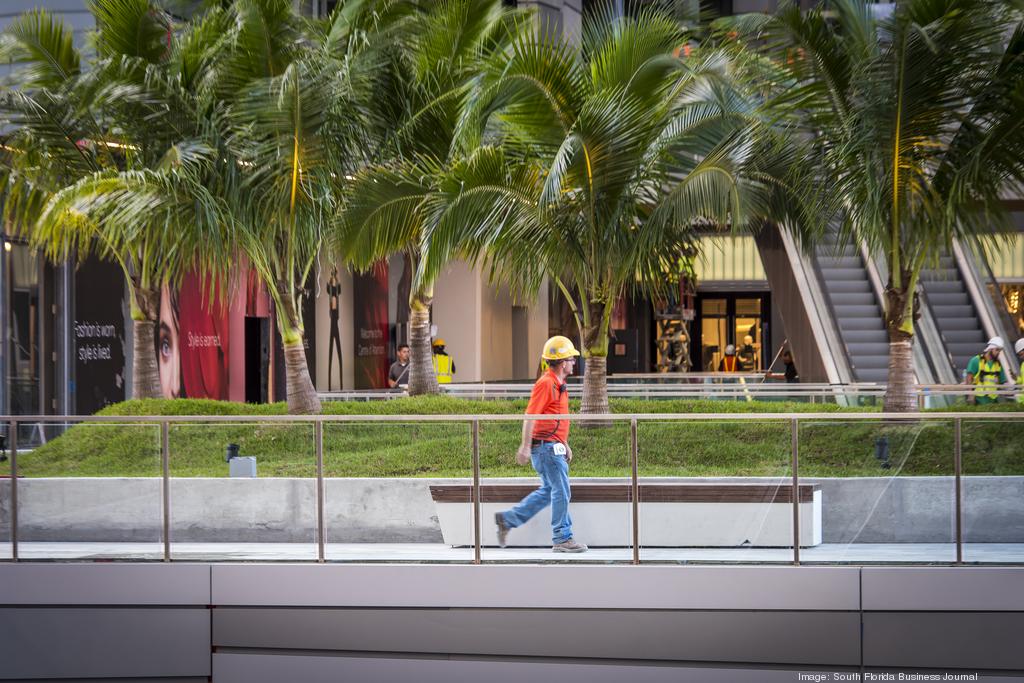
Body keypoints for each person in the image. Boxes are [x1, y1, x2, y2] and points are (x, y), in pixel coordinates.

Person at [495, 335, 588, 553]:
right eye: (572, 359)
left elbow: (554, 417)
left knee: (549, 491)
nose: (574, 363)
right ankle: (562, 538)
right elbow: (531, 415)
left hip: (551, 445)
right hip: (546, 449)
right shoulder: (546, 383)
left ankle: (507, 520)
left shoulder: (558, 383)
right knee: (562, 491)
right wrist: (525, 446)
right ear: (563, 362)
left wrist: (564, 442)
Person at [965, 337, 1008, 405]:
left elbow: (1003, 381)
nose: (998, 353)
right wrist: (970, 395)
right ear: (990, 349)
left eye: (999, 351)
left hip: (993, 399)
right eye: (997, 350)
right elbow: (969, 378)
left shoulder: (998, 364)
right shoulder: (976, 361)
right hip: (979, 398)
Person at [327, 268, 342, 391]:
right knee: (331, 353)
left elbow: (337, 290)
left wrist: (336, 280)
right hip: (333, 321)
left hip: (335, 321)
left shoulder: (336, 294)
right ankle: (329, 386)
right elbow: (330, 290)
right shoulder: (331, 294)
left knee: (338, 353)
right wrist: (331, 279)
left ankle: (341, 385)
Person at [1015, 338, 1024, 404]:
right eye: (1019, 355)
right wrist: (1016, 378)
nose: (1021, 357)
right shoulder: (1023, 365)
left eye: (1021, 354)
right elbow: (1022, 380)